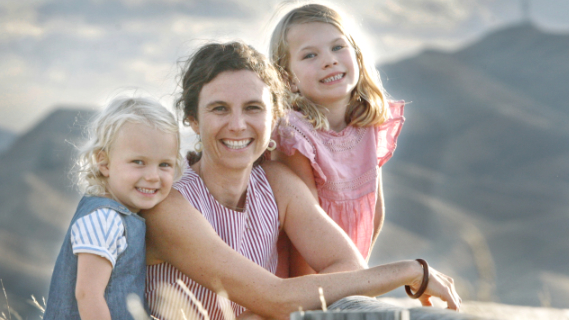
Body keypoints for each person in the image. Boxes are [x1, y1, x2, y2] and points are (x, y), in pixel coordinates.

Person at [142, 41, 459, 320]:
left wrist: (263, 313)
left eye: (253, 108)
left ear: (274, 114)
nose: (237, 125)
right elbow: (276, 299)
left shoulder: (276, 183)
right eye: (219, 109)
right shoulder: (168, 202)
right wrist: (409, 271)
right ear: (193, 120)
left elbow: (347, 264)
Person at [269, 3, 405, 276]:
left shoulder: (367, 124)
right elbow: (303, 234)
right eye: (309, 55)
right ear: (288, 79)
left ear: (357, 55)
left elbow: (373, 212)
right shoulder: (293, 136)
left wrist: (355, 280)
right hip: (303, 277)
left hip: (346, 272)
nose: (329, 60)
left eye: (338, 47)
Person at [44, 96, 182, 320]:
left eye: (164, 164)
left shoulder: (123, 216)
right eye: (138, 162)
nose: (153, 176)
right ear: (104, 163)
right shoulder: (104, 219)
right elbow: (88, 294)